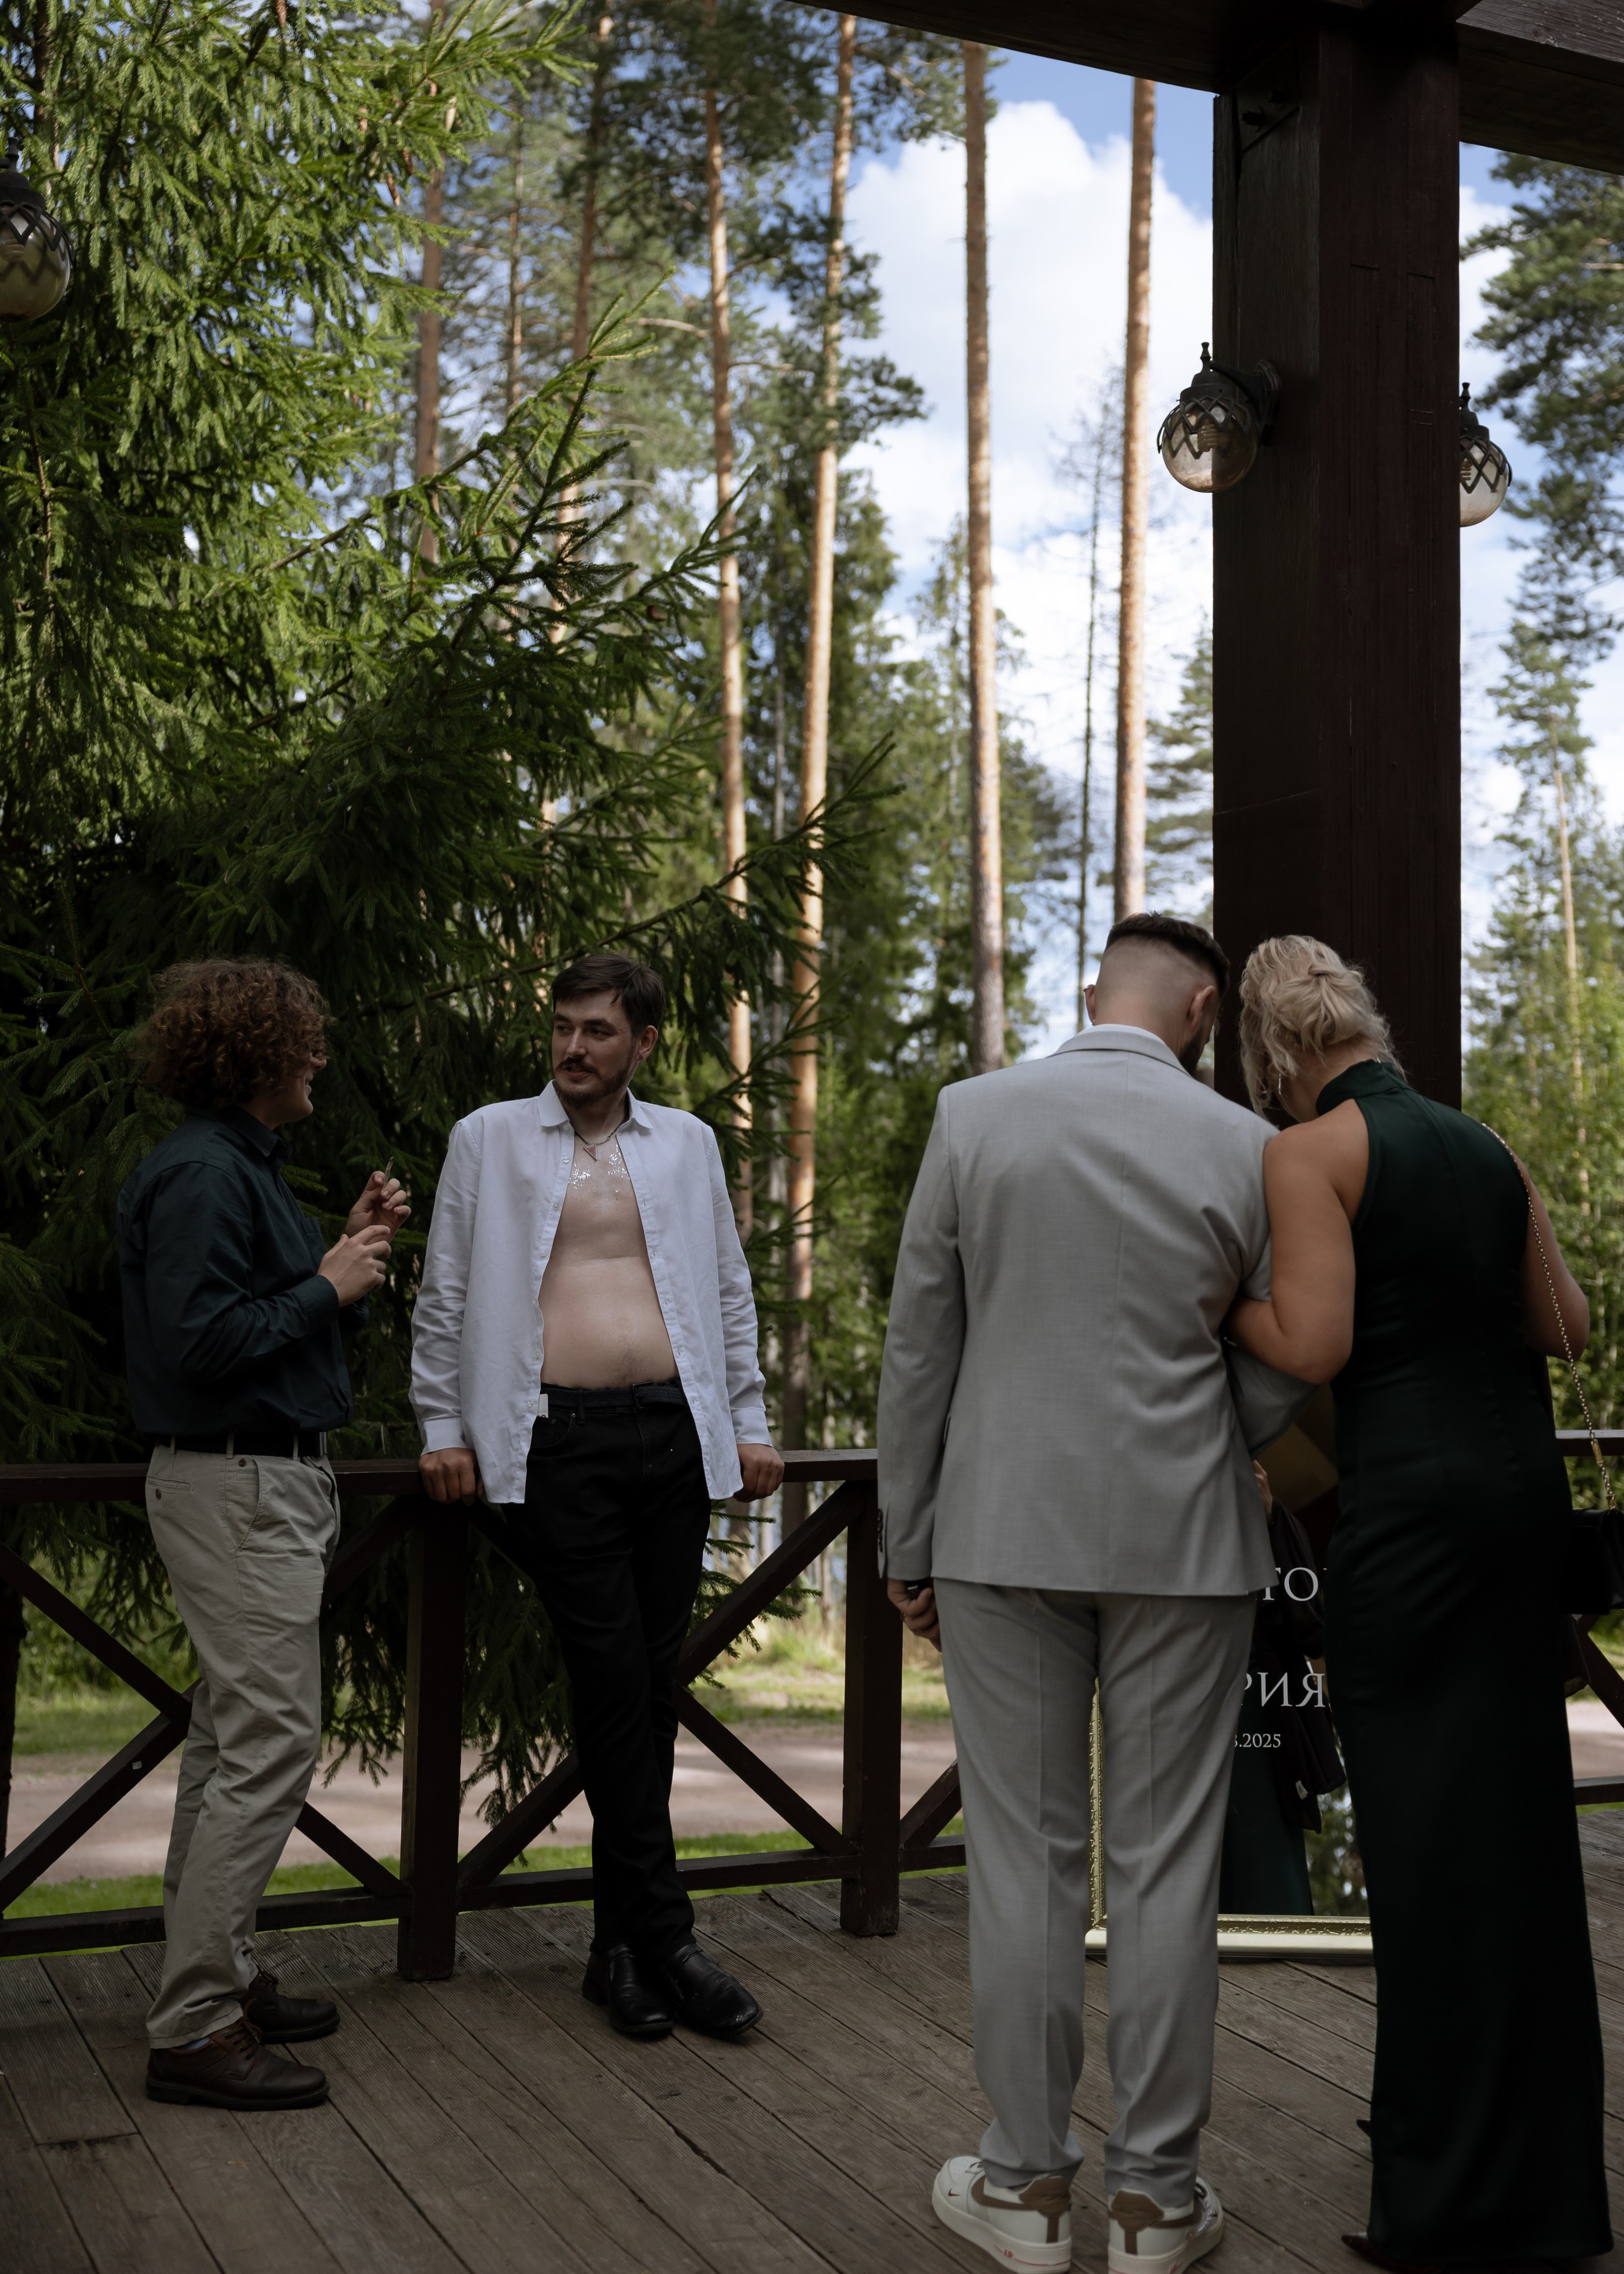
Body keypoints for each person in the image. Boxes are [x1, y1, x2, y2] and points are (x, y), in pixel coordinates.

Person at [879, 911, 1313, 2274]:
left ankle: (1018, 2188)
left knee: (1022, 1860)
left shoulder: (972, 1116)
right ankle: (1151, 2203)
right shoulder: (1249, 1147)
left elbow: (918, 1344)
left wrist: (906, 1539)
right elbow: (1294, 1351)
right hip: (1184, 1532)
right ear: (1196, 1006)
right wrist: (1217, 1430)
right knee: (1166, 1863)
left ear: (1094, 989)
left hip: (998, 1528)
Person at [1224, 935, 1611, 2271]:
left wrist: (1225, 1303)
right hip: (1519, 1515)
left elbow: (1314, 1346)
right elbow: (1560, 1324)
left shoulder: (1308, 1155)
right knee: (1514, 1842)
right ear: (1363, 1025)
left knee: (1425, 1850)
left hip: (1412, 1529)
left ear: (1275, 1053)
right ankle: (1548, 2185)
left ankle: (1445, 2198)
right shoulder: (1484, 1144)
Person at [411, 952, 783, 2041]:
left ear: (645, 1044)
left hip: (672, 1438)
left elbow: (725, 1286)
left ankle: (619, 1950)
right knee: (620, 1682)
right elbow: (446, 1293)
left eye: (599, 1032)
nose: (575, 1048)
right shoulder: (490, 1137)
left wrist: (749, 1419)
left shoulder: (688, 1146)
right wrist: (442, 1428)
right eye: (565, 1028)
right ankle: (665, 1938)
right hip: (551, 1446)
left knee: (647, 1691)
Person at [118, 959, 407, 2110]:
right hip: (236, 1486)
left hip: (248, 1485)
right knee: (272, 1743)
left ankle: (219, 1974)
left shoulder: (229, 1169)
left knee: (230, 1739)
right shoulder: (200, 1173)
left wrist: (333, 1248)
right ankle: (193, 2023)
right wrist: (330, 1285)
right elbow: (199, 1342)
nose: (319, 1059)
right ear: (254, 1058)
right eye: (304, 1043)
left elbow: (240, 1313)